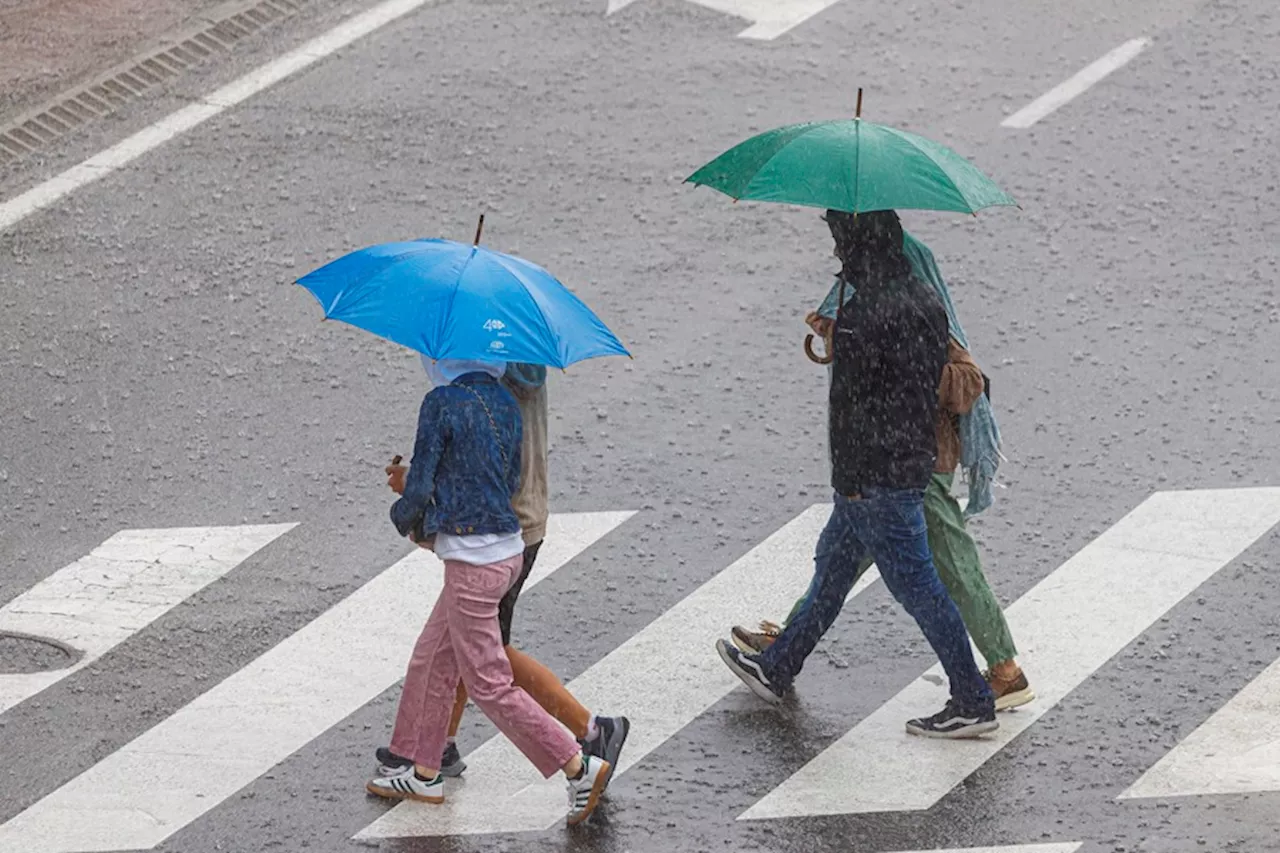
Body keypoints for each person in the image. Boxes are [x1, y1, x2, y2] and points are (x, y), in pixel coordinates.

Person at [715, 209, 998, 738]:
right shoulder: (925, 301)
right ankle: (777, 666)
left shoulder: (864, 315)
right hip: (903, 462)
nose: (835, 251)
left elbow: (855, 401)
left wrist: (842, 333)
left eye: (839, 239)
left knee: (919, 588)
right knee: (832, 573)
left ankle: (973, 697)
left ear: (858, 246)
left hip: (873, 476)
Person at [366, 358, 609, 825]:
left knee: (489, 684)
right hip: (506, 550)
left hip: (472, 564)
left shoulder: (441, 403)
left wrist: (404, 512)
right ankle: (417, 762)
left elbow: (420, 491)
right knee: (433, 656)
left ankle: (578, 766)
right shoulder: (504, 402)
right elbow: (501, 479)